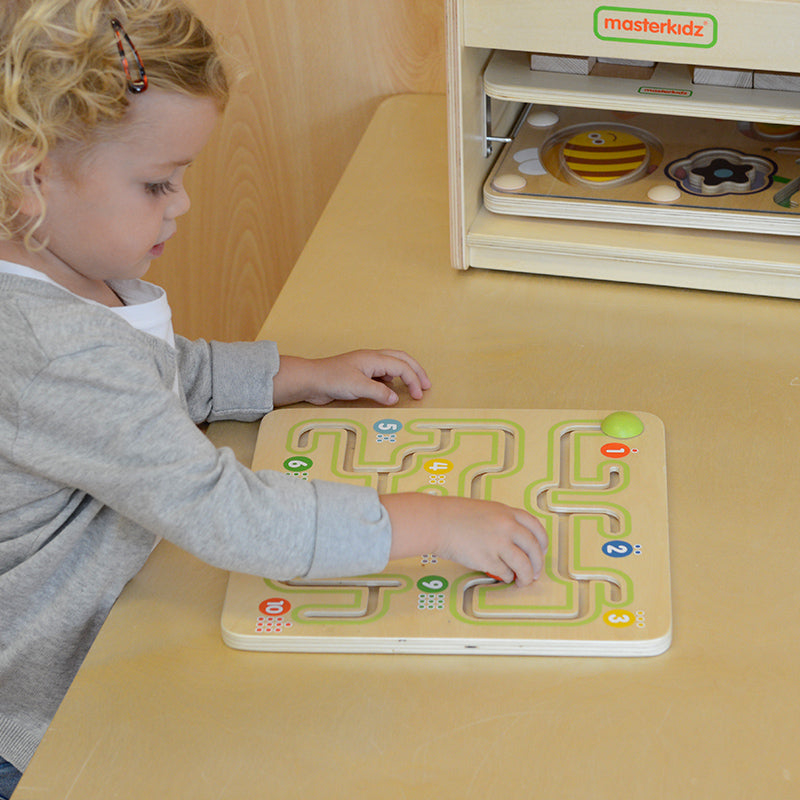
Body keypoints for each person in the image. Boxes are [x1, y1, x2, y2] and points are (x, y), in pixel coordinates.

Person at [0, 1, 548, 793]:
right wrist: (429, 522)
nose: (181, 204)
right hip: (42, 709)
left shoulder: (59, 276)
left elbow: (151, 375)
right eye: (157, 183)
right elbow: (224, 513)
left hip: (112, 616)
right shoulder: (57, 350)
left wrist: (290, 375)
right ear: (32, 176)